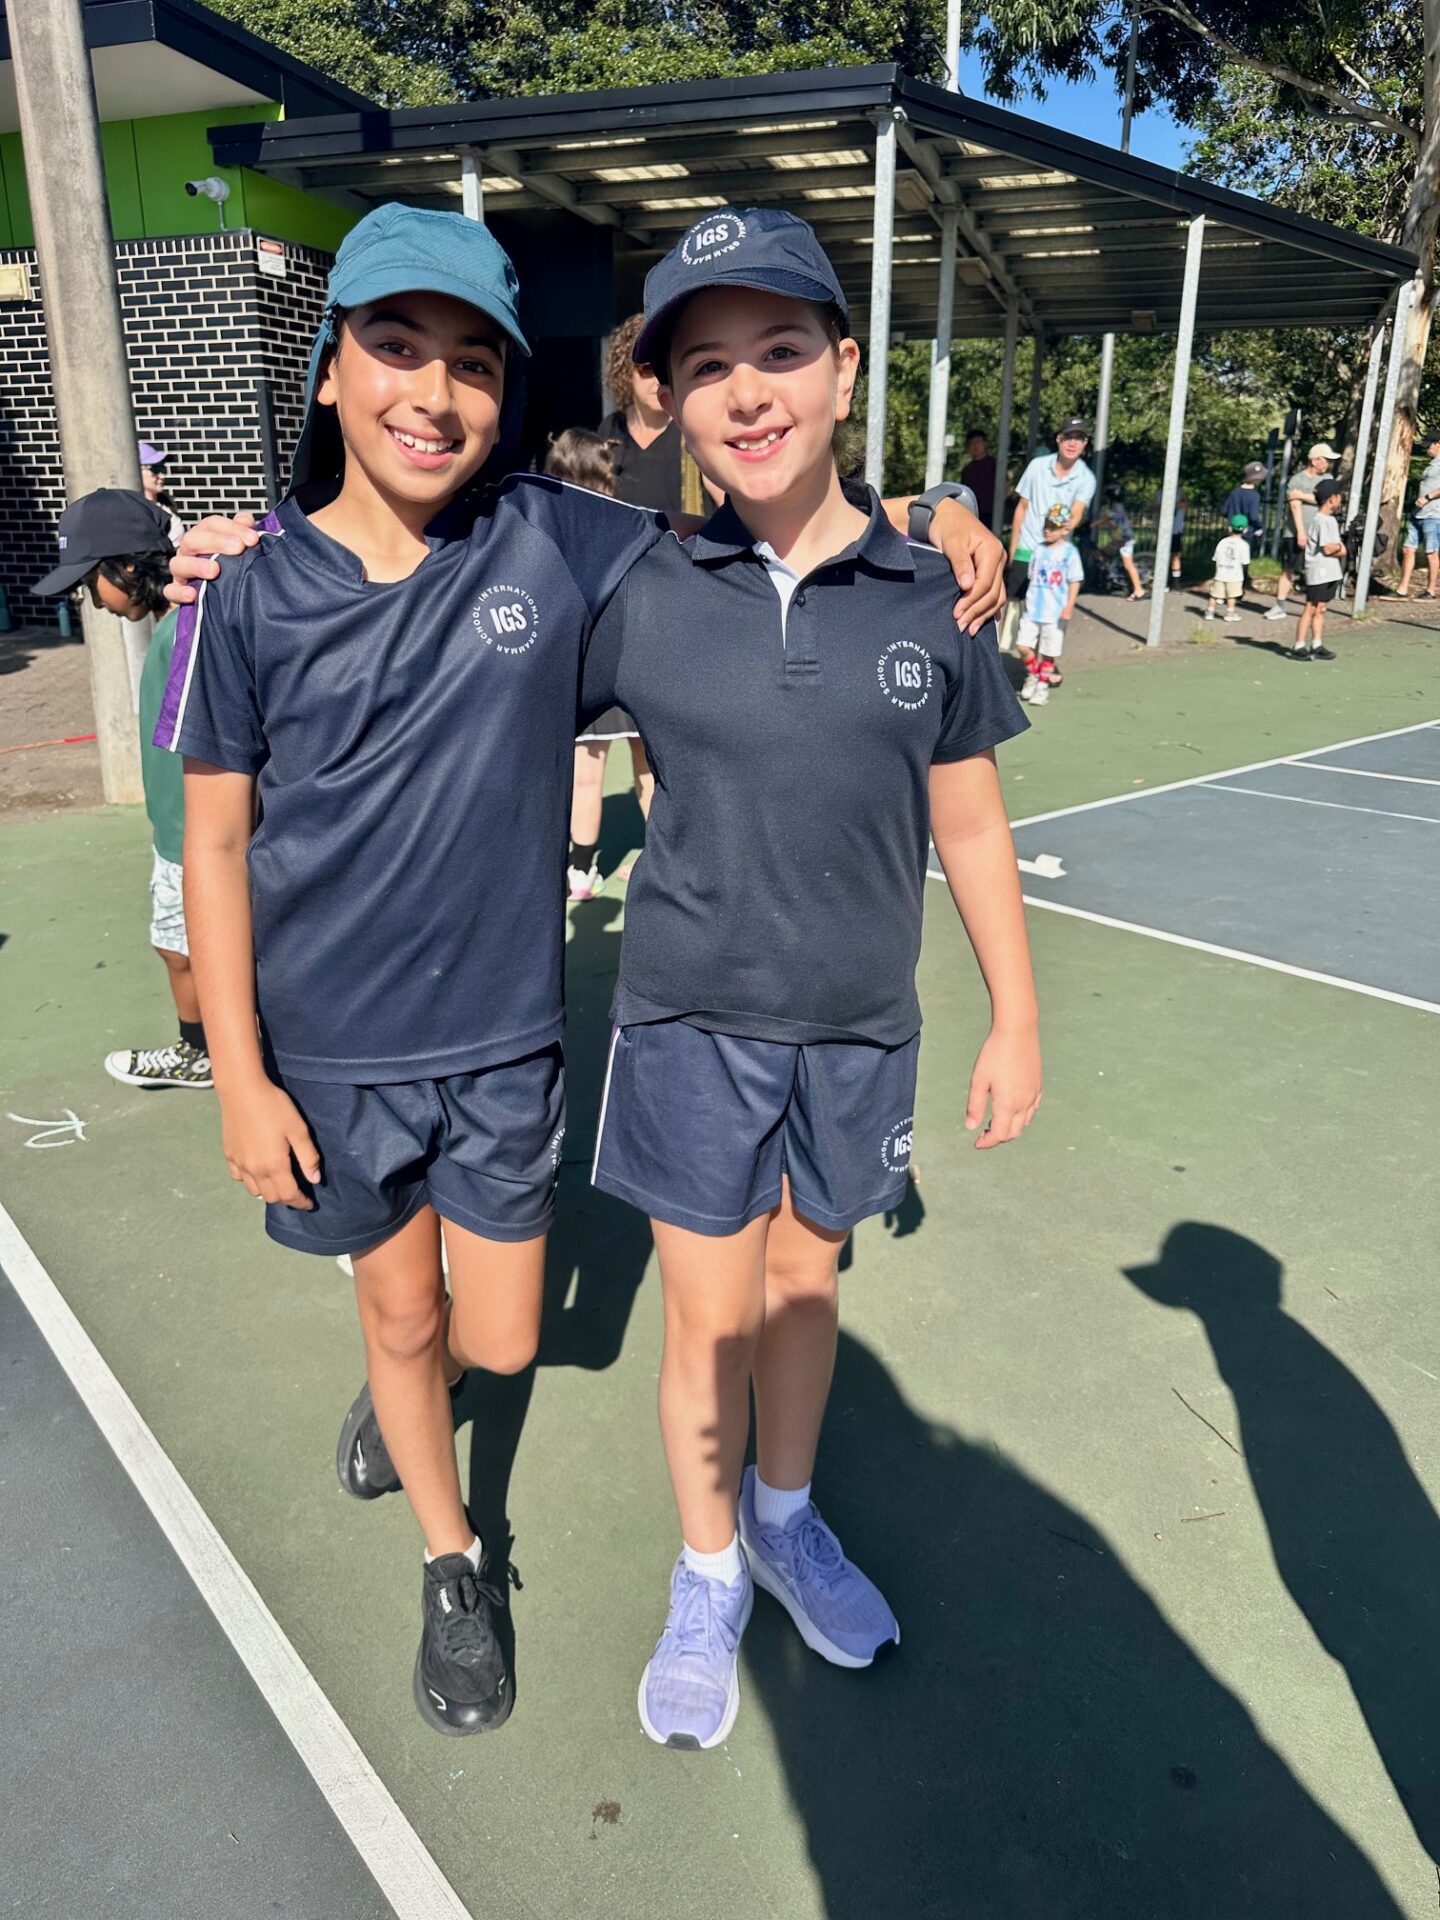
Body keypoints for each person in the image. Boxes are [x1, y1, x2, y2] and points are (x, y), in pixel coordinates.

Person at [160, 204, 1010, 1741]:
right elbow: (211, 848)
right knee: (409, 1316)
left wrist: (941, 508)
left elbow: (767, 516)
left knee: (497, 1335)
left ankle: (407, 1362)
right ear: (330, 370)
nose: (432, 391)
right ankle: (449, 1554)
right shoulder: (253, 591)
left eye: (472, 362)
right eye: (395, 347)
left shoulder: (558, 544)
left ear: (509, 394)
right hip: (330, 1048)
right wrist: (237, 1069)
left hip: (501, 1038)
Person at [581, 208, 1042, 1751]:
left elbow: (967, 818)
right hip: (693, 1018)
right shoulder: (638, 587)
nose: (749, 389)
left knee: (804, 1282)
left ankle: (784, 1520)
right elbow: (448, 567)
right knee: (706, 1315)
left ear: (845, 368)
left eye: (782, 349)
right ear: (667, 403)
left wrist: (1015, 1019)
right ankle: (707, 1572)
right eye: (706, 364)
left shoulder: (935, 592)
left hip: (860, 1028)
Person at [32, 490, 211, 1091]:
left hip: (198, 839)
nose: (91, 602)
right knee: (177, 948)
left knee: (194, 951)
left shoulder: (185, 631)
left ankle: (210, 1055)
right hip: (178, 835)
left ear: (129, 567)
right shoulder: (172, 627)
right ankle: (206, 1049)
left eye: (91, 583)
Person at [543, 425, 656, 899]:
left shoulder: (545, 526)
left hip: (587, 670)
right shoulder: (629, 523)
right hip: (637, 666)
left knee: (586, 776)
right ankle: (658, 863)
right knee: (650, 769)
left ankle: (580, 874)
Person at [597, 313, 684, 518]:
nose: (656, 380)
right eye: (646, 370)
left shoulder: (690, 429)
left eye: (663, 369)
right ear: (626, 373)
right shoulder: (610, 428)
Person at [1015, 502, 1083, 705]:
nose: (1047, 530)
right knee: (1022, 646)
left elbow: (1074, 581)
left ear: (1064, 529)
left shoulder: (1069, 552)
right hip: (1033, 609)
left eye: (1053, 527)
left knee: (1048, 651)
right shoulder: (1038, 550)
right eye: (1046, 525)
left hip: (1054, 612)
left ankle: (1042, 687)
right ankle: (1035, 675)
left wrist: (1069, 606)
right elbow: (1032, 576)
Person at [1010, 417, 1095, 572]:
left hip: (1055, 558)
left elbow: (1076, 513)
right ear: (1059, 439)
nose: (1072, 443)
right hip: (1025, 551)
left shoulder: (1087, 478)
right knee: (1013, 597)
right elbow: (1022, 508)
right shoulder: (1036, 466)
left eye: (1078, 438)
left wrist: (1064, 527)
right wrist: (1012, 552)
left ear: (1085, 443)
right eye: (1068, 437)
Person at [1266, 442, 1339, 620]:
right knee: (1289, 568)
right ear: (1314, 460)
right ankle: (1279, 606)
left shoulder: (1327, 478)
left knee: (1320, 567)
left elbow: (1328, 500)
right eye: (1325, 460)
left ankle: (1318, 604)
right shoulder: (1297, 480)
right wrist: (1300, 531)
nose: (1328, 464)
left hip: (1320, 534)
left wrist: (1304, 495)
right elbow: (1294, 504)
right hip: (1297, 532)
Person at [1292, 476, 1344, 659]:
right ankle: (1298, 646)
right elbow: (1329, 548)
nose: (1341, 499)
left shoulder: (1331, 520)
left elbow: (1336, 547)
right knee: (1311, 607)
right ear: (1332, 498)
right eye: (1339, 496)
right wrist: (1341, 548)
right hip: (1319, 572)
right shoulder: (1321, 520)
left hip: (1330, 572)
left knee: (1321, 608)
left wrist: (1340, 547)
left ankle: (1317, 644)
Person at [1094, 482, 1144, 599]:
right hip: (1121, 539)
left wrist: (1092, 524)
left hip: (1124, 540)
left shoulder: (1115, 507)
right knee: (1104, 552)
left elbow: (1106, 518)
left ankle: (1139, 590)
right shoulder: (1117, 506)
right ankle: (1114, 577)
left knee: (1128, 565)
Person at [1406, 427, 1440, 599]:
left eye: (1429, 446)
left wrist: (1427, 497)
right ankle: (1402, 589)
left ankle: (1431, 590)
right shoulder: (1431, 464)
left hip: (1433, 515)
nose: (1427, 449)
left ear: (1438, 444)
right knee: (1408, 548)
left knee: (1431, 552)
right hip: (1418, 513)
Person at [139, 441, 185, 547]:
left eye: (162, 468)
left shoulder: (166, 502)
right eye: (155, 469)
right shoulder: (134, 511)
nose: (162, 476)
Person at [1207, 514, 1251, 623]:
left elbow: (1215, 558)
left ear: (1230, 528)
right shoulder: (1244, 545)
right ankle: (1230, 613)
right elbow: (1245, 562)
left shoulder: (1222, 542)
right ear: (1245, 530)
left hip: (1221, 573)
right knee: (1232, 596)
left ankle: (1209, 611)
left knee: (1215, 594)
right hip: (1235, 575)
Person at [1220, 461, 1267, 542]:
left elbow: (1224, 511)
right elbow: (1253, 516)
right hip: (1246, 532)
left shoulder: (1235, 492)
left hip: (1232, 530)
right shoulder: (1254, 495)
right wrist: (1259, 527)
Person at [960, 427, 997, 528]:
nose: (975, 446)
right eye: (972, 443)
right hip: (972, 515)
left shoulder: (995, 465)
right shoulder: (967, 470)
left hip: (992, 515)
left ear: (985, 444)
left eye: (978, 442)